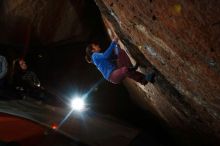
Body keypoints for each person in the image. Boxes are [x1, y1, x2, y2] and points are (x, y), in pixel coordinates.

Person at [85, 38, 155, 85]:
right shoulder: (94, 56)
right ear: (93, 50)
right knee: (124, 70)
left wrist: (116, 46)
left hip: (117, 71)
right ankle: (138, 76)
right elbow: (105, 56)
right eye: (95, 45)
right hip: (112, 76)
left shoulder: (98, 59)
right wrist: (113, 42)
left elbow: (115, 57)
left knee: (121, 52)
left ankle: (138, 75)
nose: (97, 45)